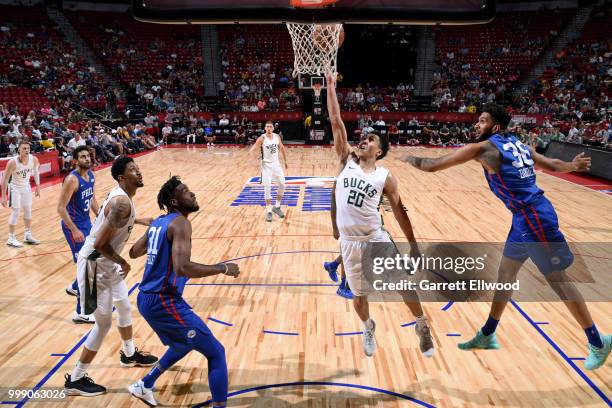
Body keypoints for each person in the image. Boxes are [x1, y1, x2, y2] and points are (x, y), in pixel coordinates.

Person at [402, 102, 611, 370]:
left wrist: (408, 158)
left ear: (495, 127)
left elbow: (433, 166)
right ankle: (488, 334)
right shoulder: (519, 144)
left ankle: (597, 342)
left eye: (482, 120)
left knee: (559, 281)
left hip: (534, 219)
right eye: (477, 120)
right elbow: (553, 164)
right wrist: (572, 164)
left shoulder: (484, 148)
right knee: (506, 275)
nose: (476, 125)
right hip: (524, 218)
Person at [325, 70, 434, 358]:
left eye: (371, 139)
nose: (364, 139)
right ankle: (368, 326)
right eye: (363, 137)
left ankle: (422, 325)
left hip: (376, 238)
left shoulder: (385, 176)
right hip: (349, 243)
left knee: (402, 284)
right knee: (359, 298)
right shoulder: (345, 160)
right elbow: (336, 121)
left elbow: (400, 212)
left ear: (380, 151)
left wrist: (412, 245)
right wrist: (331, 86)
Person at [127, 176, 240, 407]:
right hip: (162, 300)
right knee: (216, 352)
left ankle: (145, 384)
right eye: (185, 191)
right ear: (174, 201)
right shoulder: (180, 223)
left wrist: (153, 233)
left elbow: (134, 252)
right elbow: (182, 268)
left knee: (182, 343)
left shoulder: (160, 222)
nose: (192, 194)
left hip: (146, 298)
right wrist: (222, 267)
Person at [64, 157, 158, 397]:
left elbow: (111, 218)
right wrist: (123, 262)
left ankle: (128, 354)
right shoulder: (121, 203)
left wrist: (140, 220)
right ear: (122, 178)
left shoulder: (122, 200)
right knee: (103, 323)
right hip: (95, 265)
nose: (139, 172)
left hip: (105, 264)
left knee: (125, 307)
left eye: (138, 167)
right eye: (133, 170)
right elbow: (99, 243)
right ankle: (75, 379)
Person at [57, 145, 98, 324]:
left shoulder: (91, 175)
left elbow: (92, 199)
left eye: (88, 156)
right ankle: (80, 312)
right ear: (76, 160)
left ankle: (74, 287)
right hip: (73, 226)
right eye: (83, 157)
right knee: (85, 268)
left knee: (93, 261)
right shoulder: (72, 180)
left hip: (86, 224)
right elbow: (60, 208)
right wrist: (74, 229)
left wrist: (100, 215)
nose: (87, 159)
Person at [1, 141, 41, 247]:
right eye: (24, 148)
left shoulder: (34, 159)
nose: (26, 150)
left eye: (28, 148)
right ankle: (11, 238)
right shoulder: (12, 162)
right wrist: (4, 197)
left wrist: (37, 186)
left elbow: (36, 172)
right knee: (16, 211)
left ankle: (27, 235)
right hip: (15, 188)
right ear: (19, 150)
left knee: (28, 209)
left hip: (26, 187)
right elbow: (4, 180)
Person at [249, 121, 288, 222]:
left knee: (283, 184)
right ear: (265, 128)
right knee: (267, 188)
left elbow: (282, 148)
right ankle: (269, 211)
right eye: (267, 126)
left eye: (271, 126)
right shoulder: (262, 138)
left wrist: (285, 161)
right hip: (266, 166)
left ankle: (277, 207)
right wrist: (254, 162)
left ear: (273, 128)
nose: (269, 128)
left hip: (276, 164)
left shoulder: (277, 137)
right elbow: (252, 150)